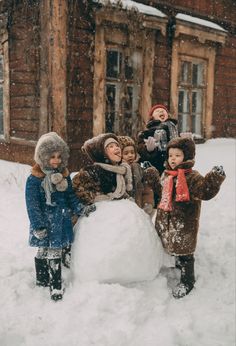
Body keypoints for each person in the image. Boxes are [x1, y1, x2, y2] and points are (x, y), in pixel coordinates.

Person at [71, 133, 163, 284]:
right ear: (103, 153)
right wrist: (95, 198)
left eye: (117, 146)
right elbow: (77, 187)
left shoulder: (122, 169)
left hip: (124, 209)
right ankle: (101, 271)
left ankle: (137, 268)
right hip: (101, 215)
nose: (117, 149)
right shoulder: (94, 171)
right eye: (111, 146)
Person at [25, 132, 95, 301]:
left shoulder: (64, 176)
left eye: (59, 156)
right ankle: (44, 280)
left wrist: (79, 208)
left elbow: (70, 196)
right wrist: (38, 225)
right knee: (43, 250)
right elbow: (32, 205)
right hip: (44, 221)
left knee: (55, 250)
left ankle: (55, 284)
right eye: (51, 157)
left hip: (60, 220)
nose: (56, 160)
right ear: (42, 157)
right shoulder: (35, 179)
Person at [154, 136, 226, 298]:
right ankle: (177, 262)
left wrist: (214, 178)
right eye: (171, 155)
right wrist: (152, 177)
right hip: (166, 221)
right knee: (172, 246)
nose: (173, 159)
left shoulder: (192, 177)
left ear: (187, 157)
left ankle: (188, 280)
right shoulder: (166, 175)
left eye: (177, 155)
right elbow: (159, 192)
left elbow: (205, 191)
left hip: (185, 223)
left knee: (185, 254)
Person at [118, 135, 159, 216]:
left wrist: (147, 202)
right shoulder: (119, 169)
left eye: (132, 152)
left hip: (138, 209)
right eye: (126, 153)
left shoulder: (138, 168)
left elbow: (146, 189)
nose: (130, 155)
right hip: (123, 211)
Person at [137, 104, 178, 175]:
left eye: (163, 110)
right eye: (157, 111)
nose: (161, 111)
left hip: (175, 169)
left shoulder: (175, 131)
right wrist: (148, 151)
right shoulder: (146, 133)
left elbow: (184, 154)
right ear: (152, 117)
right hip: (156, 170)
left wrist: (187, 143)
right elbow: (140, 153)